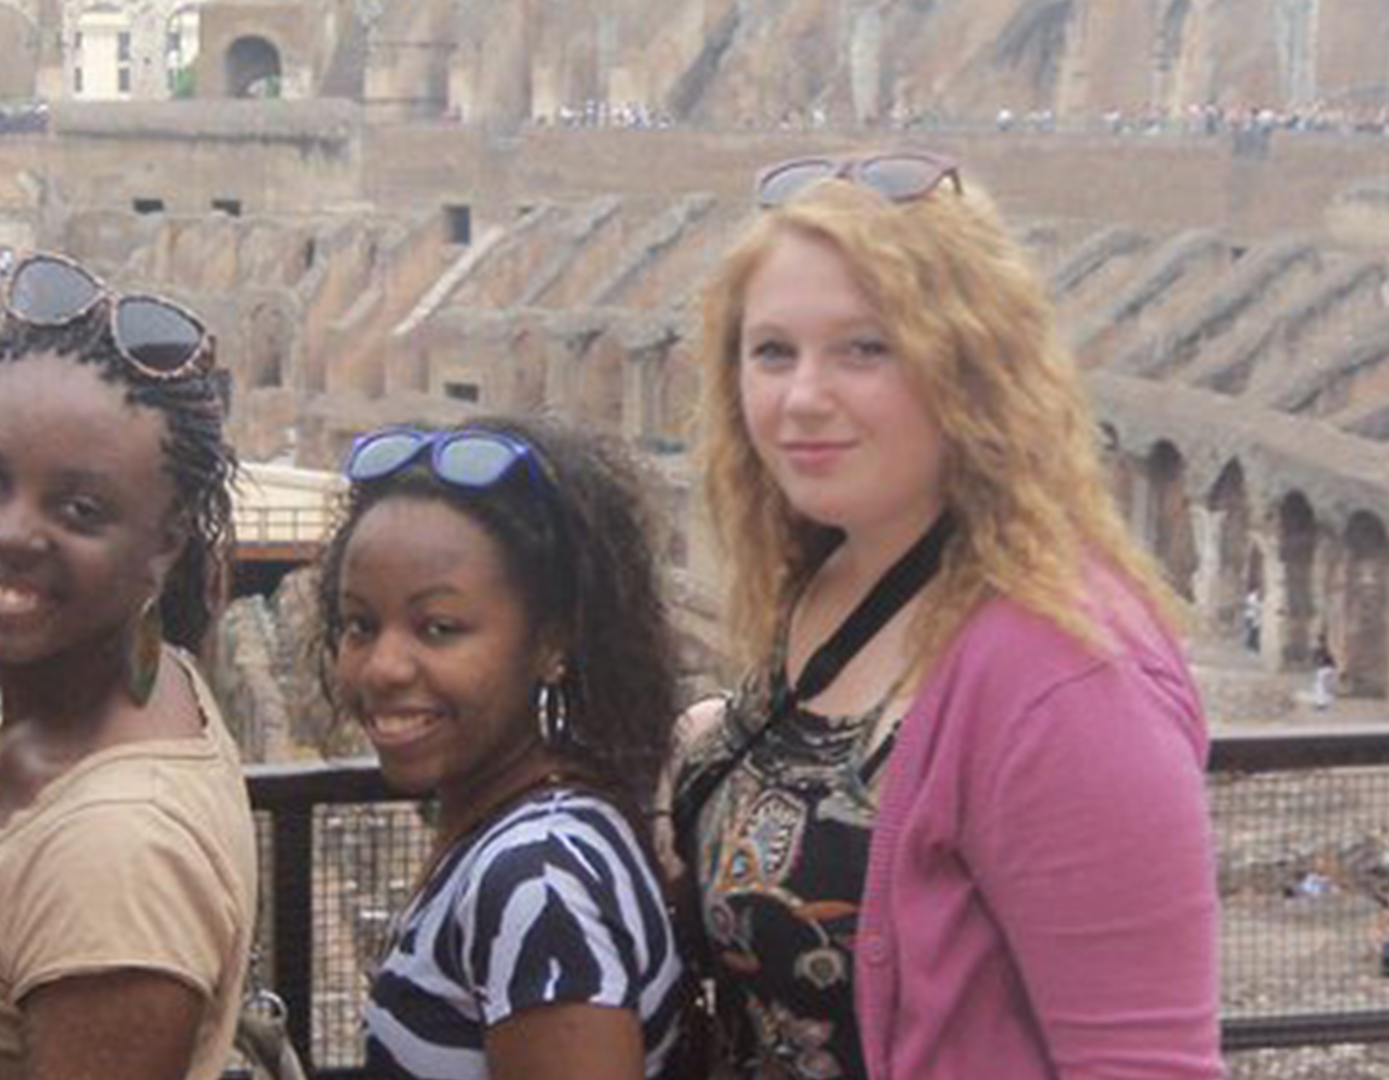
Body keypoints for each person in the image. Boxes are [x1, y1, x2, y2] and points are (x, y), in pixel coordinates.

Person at [669, 150, 1223, 1078]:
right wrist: (717, 745)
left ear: (970, 371)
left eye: (865, 348)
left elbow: (1149, 1064)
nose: (803, 397)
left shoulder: (1068, 681)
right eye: (772, 351)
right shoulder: (833, 580)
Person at [0, 253, 259, 1080]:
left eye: (79, 508)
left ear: (165, 543)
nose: (13, 533)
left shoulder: (119, 857)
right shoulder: (95, 700)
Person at [315, 418, 687, 1079]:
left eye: (438, 628)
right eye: (360, 624)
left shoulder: (540, 884)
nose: (382, 667)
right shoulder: (523, 825)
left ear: (551, 643)